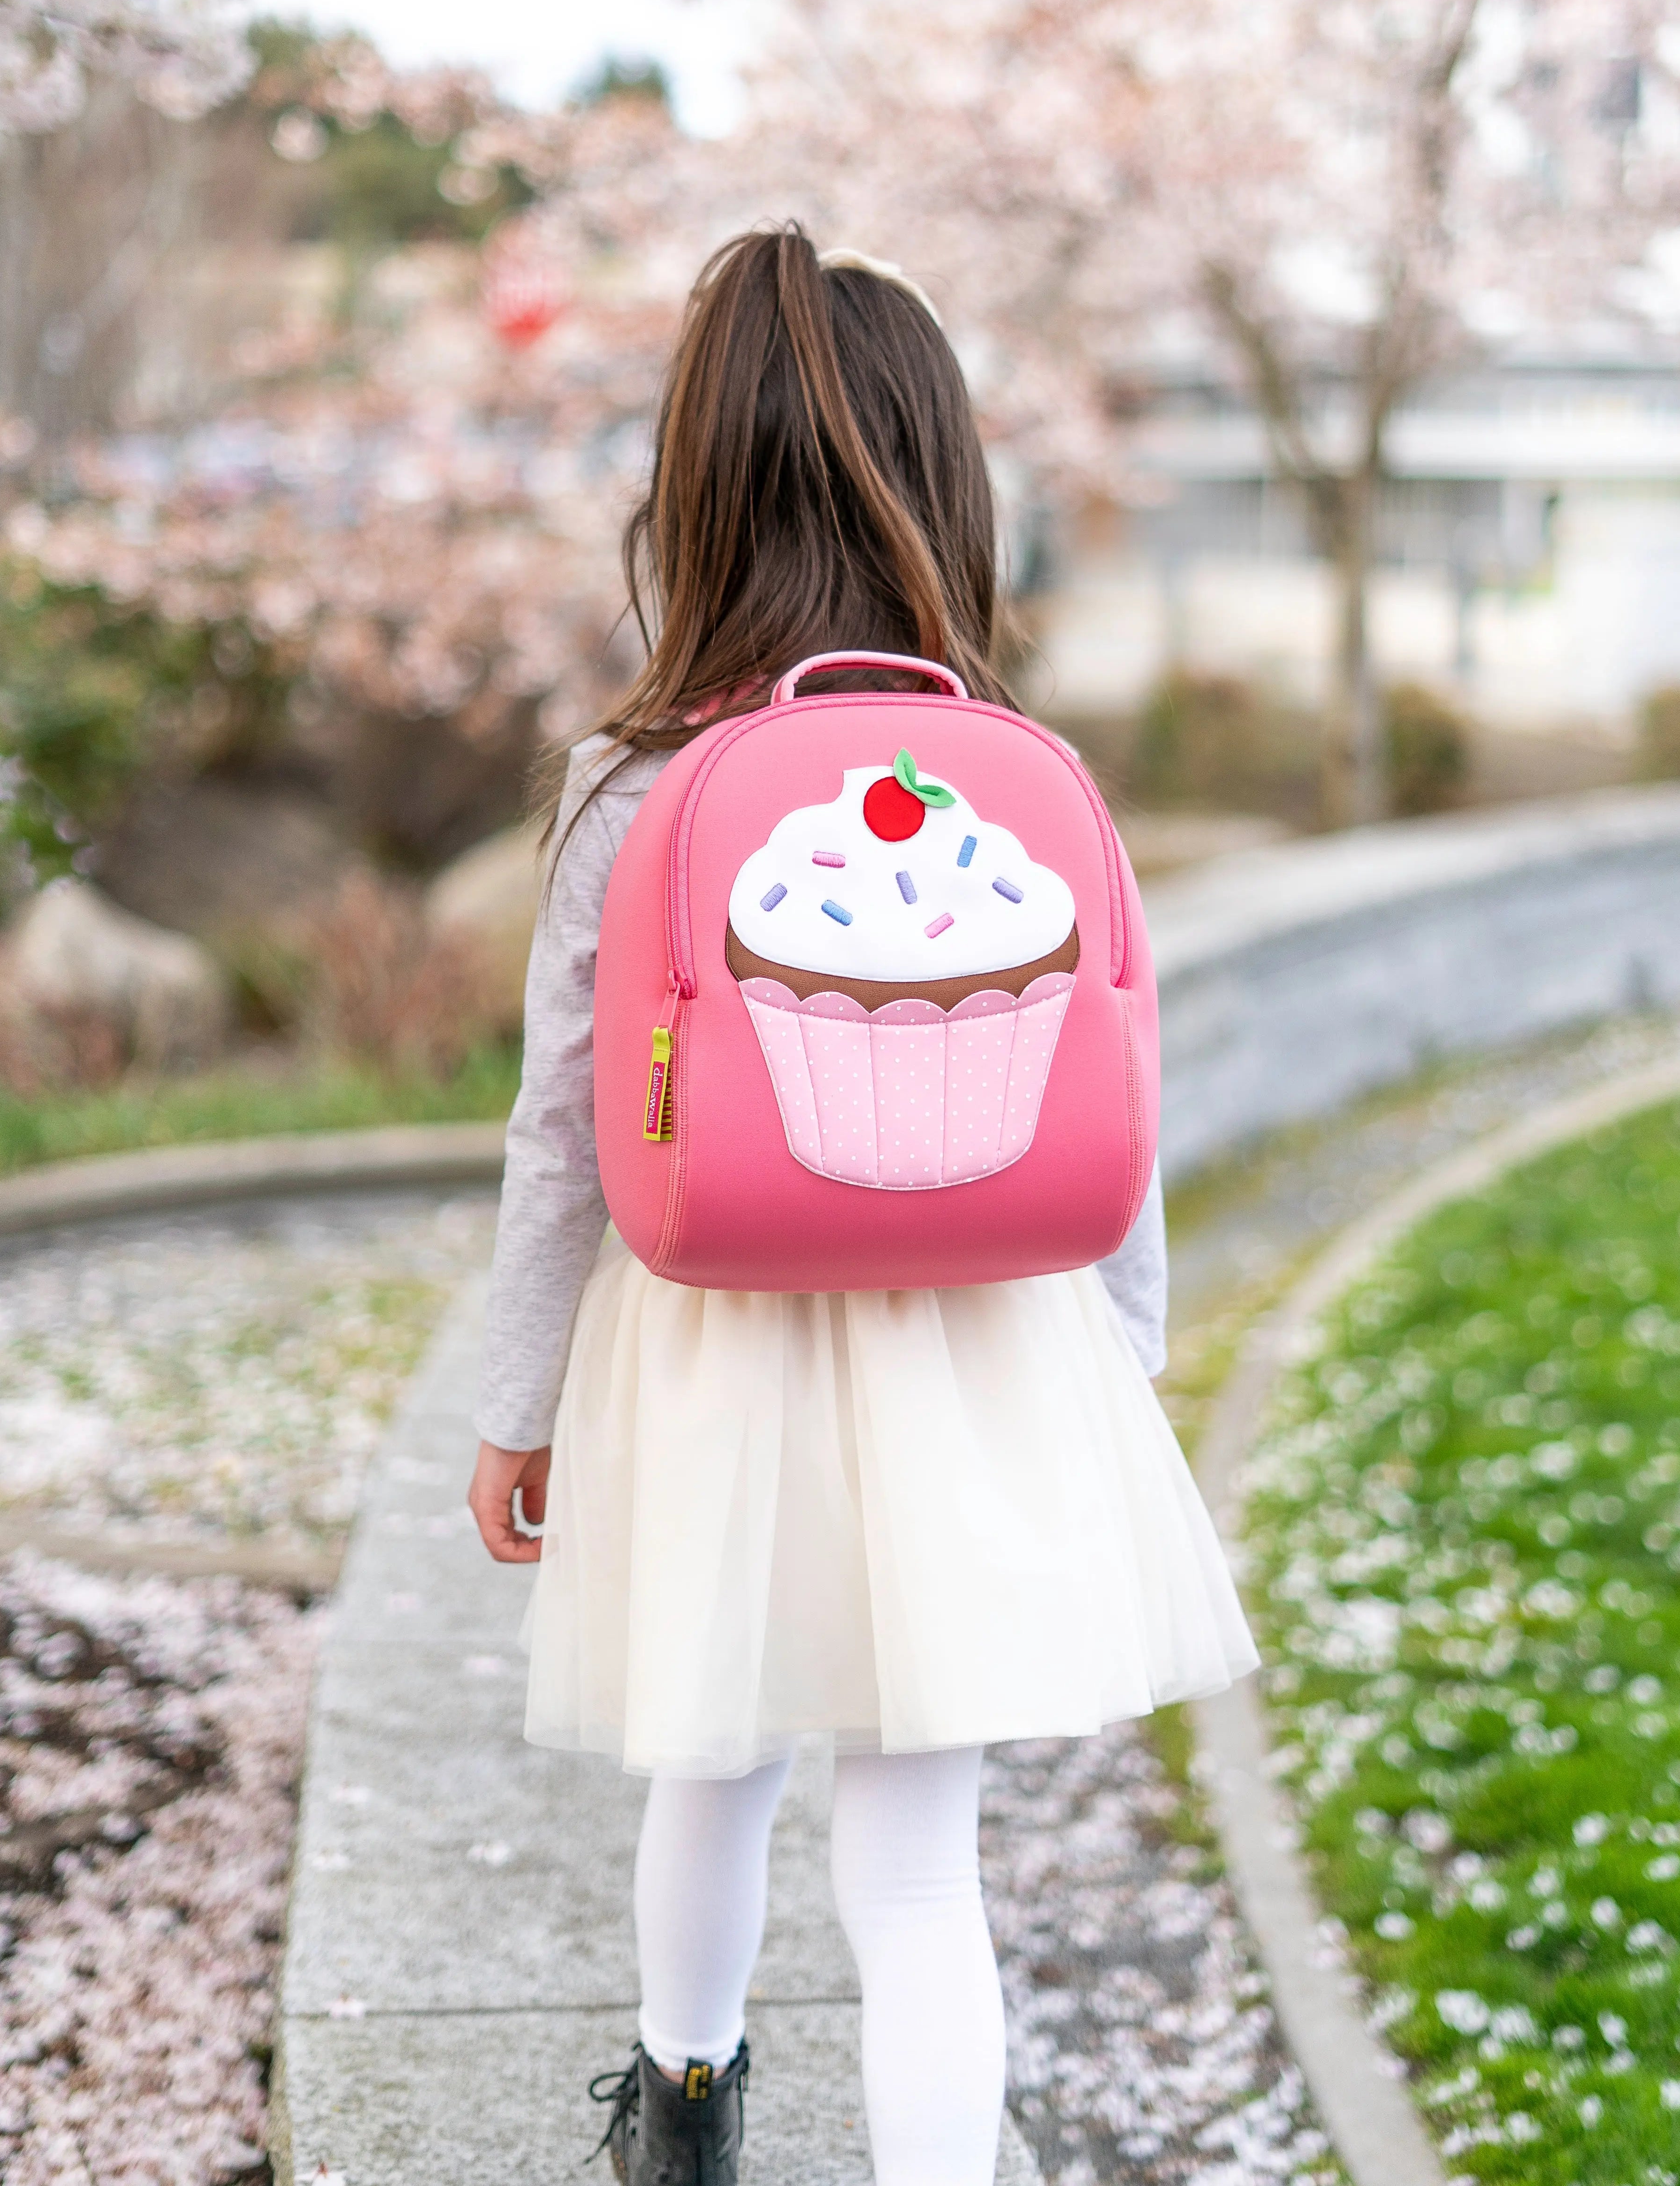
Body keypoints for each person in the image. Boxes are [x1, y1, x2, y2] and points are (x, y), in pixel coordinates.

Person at [466, 226, 1257, 2186]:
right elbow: (1114, 1090)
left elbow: (563, 1133)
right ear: (948, 488)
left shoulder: (629, 786)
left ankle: (684, 2115)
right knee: (919, 1871)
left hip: (711, 1354)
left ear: (694, 492)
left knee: (715, 1769)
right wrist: (1124, 1353)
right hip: (978, 1349)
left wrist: (517, 1402)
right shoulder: (1019, 774)